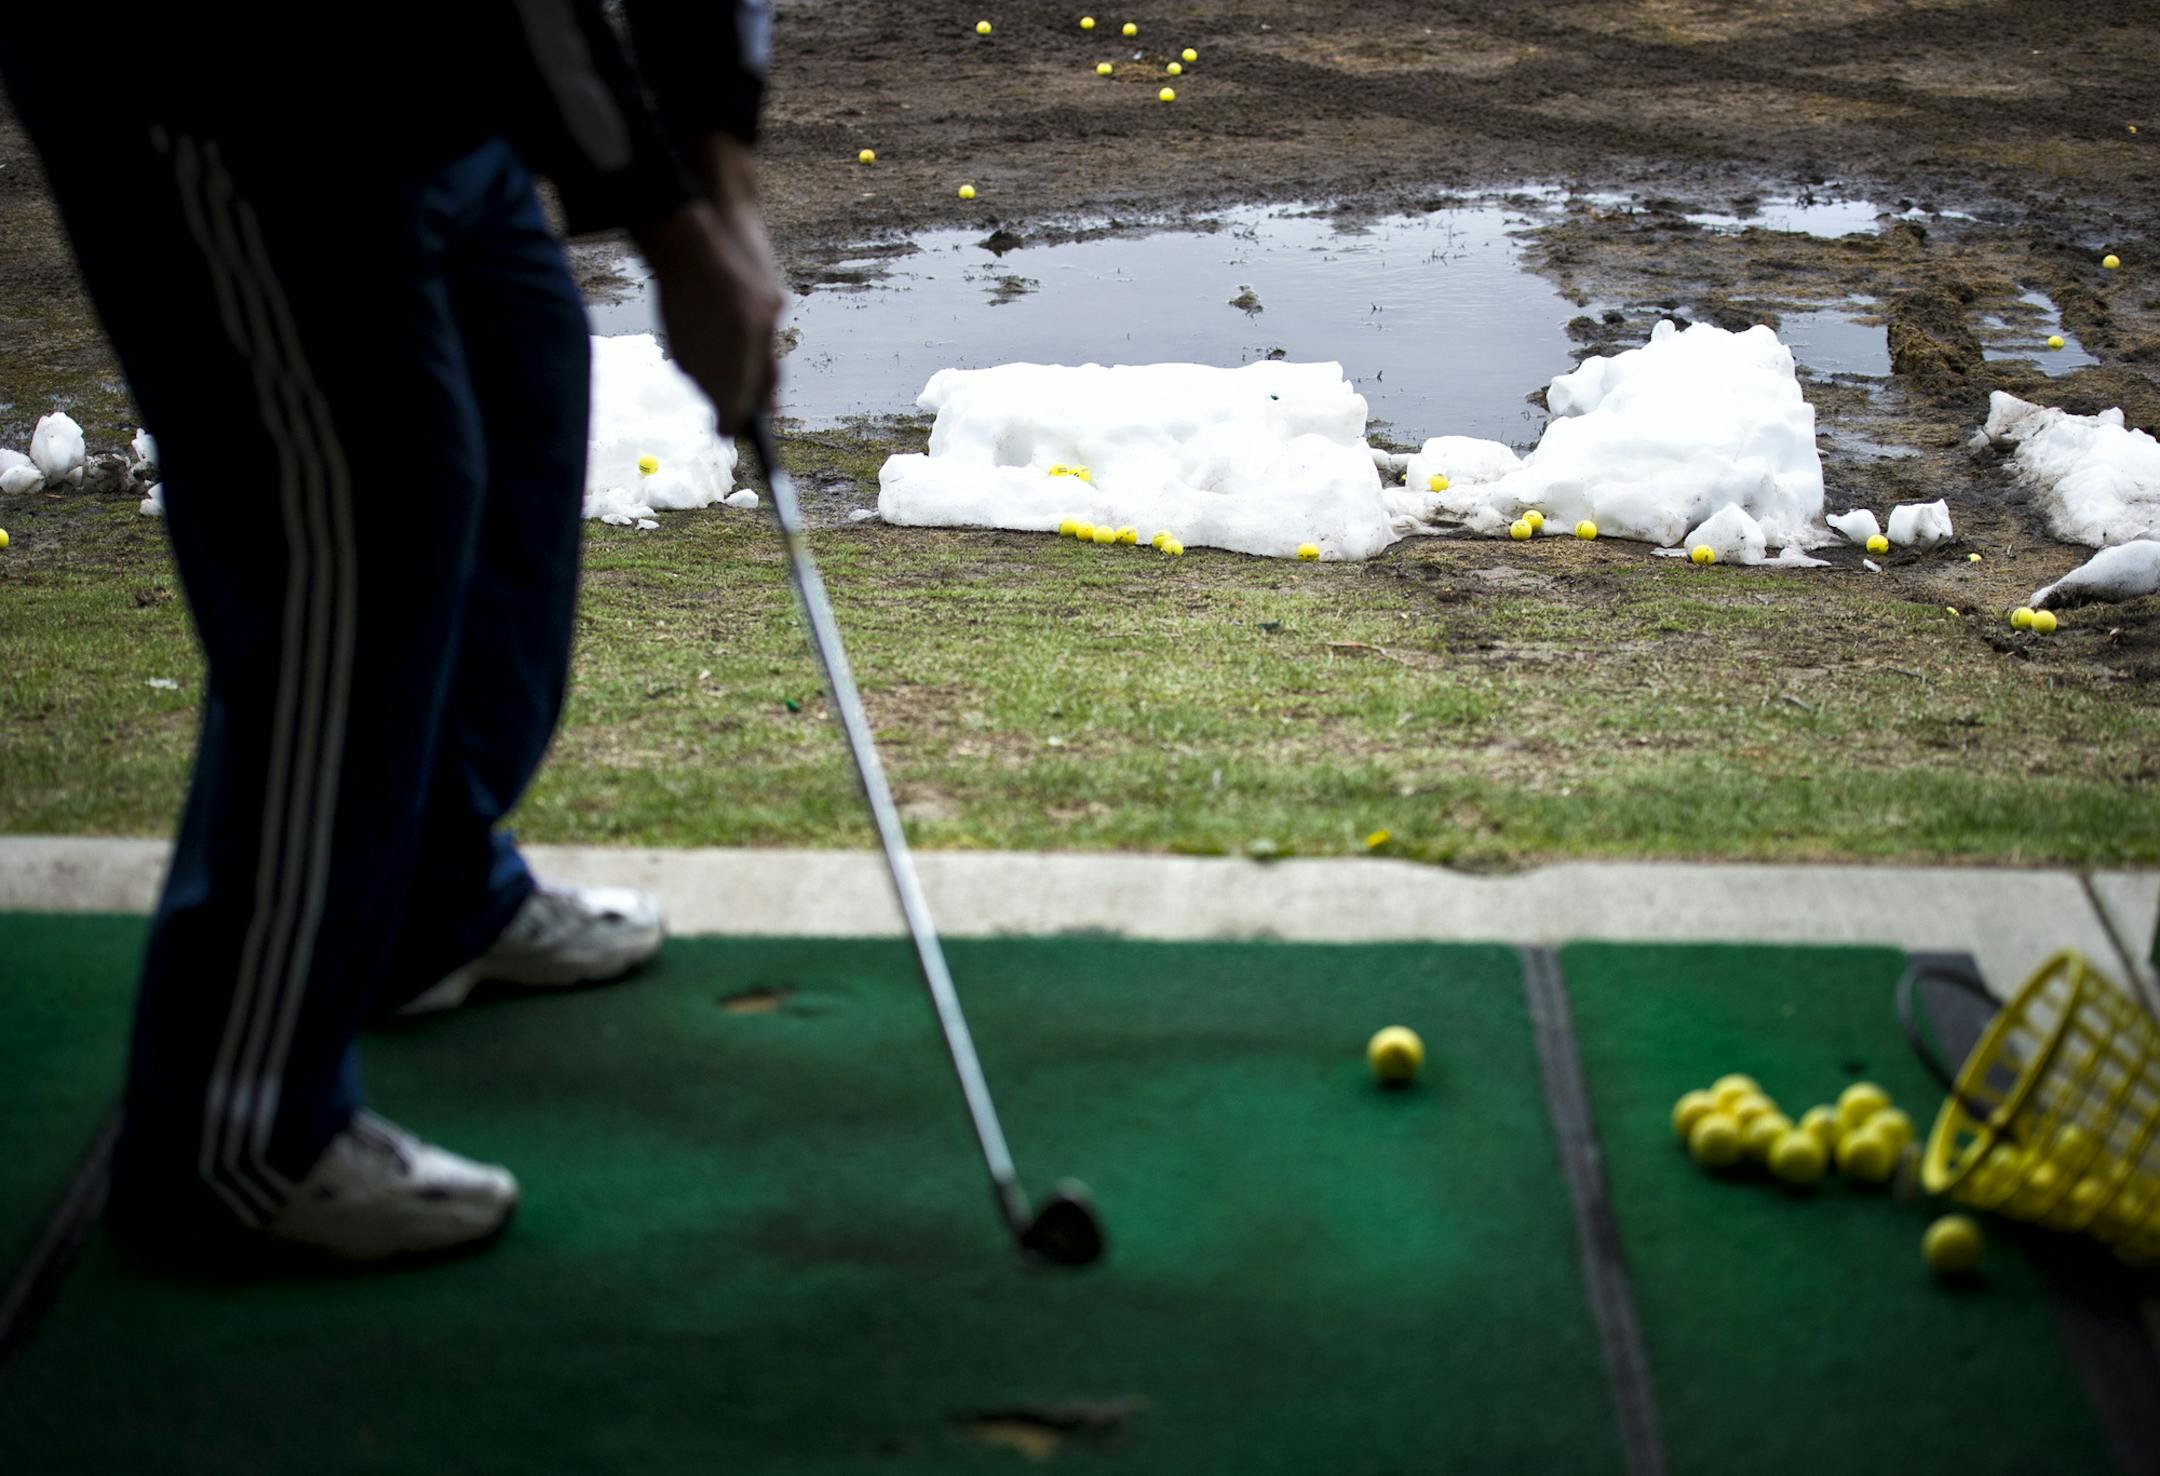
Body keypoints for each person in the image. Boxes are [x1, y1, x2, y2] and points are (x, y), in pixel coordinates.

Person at [0, 3, 782, 1263]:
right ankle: (231, 1132)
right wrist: (676, 231)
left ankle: (431, 900)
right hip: (212, 77)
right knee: (353, 539)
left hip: (422, 75)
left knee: (521, 397)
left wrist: (721, 186)